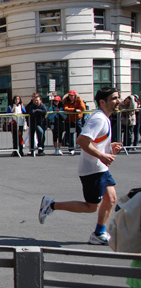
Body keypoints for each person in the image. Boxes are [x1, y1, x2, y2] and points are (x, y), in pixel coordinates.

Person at [39, 87, 123, 245]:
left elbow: (94, 142)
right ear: (102, 102)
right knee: (91, 207)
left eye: (117, 98)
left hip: (100, 168)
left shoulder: (105, 117)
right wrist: (102, 155)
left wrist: (109, 147)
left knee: (111, 199)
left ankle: (99, 233)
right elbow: (82, 141)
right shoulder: (99, 118)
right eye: (114, 98)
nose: (117, 101)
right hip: (92, 170)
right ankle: (51, 205)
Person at [63, 90, 87, 155]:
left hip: (77, 119)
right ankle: (71, 148)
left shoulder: (79, 100)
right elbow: (65, 108)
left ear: (75, 95)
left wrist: (77, 109)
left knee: (80, 133)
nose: (71, 97)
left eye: (72, 95)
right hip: (70, 120)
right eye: (70, 95)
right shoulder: (66, 100)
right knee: (70, 134)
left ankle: (80, 145)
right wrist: (74, 110)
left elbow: (83, 108)